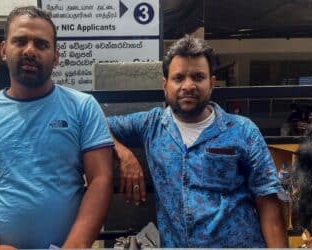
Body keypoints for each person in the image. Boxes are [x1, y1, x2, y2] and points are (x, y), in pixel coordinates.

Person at [0, 6, 114, 249]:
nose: (30, 51)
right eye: (20, 41)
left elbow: (100, 179)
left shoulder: (82, 107)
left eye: (41, 44)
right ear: (4, 50)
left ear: (56, 56)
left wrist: (76, 246)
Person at [108, 35, 288, 247]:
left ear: (211, 83)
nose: (188, 85)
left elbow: (268, 204)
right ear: (165, 85)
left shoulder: (242, 130)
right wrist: (122, 153)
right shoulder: (151, 125)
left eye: (198, 77)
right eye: (179, 78)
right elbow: (95, 125)